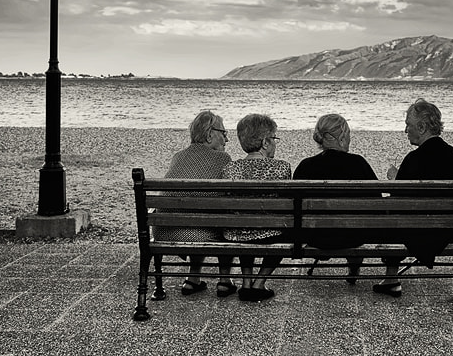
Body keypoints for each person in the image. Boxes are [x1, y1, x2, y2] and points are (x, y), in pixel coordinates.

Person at [375, 98, 453, 298]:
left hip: (419, 231)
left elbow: (398, 198)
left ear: (421, 126)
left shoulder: (414, 159)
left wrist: (395, 178)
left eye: (408, 125)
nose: (405, 130)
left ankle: (391, 278)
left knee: (389, 213)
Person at [151, 110, 237, 297]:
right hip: (197, 231)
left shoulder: (178, 156)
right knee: (225, 219)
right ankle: (224, 281)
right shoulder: (222, 159)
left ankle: (193, 278)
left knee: (199, 215)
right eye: (224, 133)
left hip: (163, 230)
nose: (226, 140)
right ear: (209, 135)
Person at [293, 113, 379, 283]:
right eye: (347, 134)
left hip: (314, 236)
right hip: (353, 237)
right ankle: (354, 267)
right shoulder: (358, 163)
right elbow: (376, 200)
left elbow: (292, 203)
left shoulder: (305, 166)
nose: (349, 139)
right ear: (338, 137)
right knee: (357, 220)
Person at [223, 113, 291, 302]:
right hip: (271, 233)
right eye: (275, 138)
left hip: (235, 233)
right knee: (287, 229)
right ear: (265, 143)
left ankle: (246, 282)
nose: (275, 143)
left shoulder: (230, 169)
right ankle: (259, 282)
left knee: (244, 221)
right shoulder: (281, 168)